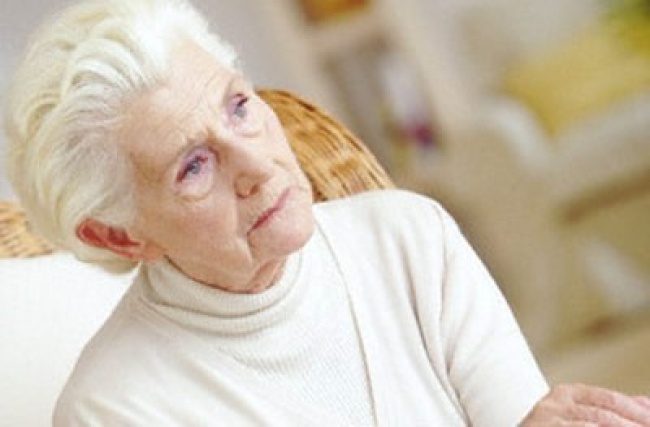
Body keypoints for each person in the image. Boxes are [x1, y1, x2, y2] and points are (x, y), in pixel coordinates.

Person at [4, 0, 650, 425]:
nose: (257, 165)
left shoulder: (408, 237)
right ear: (117, 235)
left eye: (238, 107)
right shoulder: (116, 409)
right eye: (193, 166)